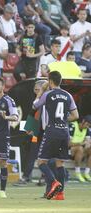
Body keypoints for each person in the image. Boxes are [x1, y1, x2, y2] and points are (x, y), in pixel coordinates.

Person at [33, 71, 79, 200]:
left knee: (41, 161)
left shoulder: (48, 94)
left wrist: (41, 91)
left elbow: (34, 105)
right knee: (60, 163)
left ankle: (54, 182)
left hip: (51, 131)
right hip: (64, 132)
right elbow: (76, 116)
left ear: (50, 81)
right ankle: (60, 194)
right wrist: (63, 120)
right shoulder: (68, 95)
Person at [69, 115, 91, 182]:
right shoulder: (72, 126)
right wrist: (81, 143)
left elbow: (88, 141)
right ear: (83, 121)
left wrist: (88, 144)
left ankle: (86, 173)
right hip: (69, 151)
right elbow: (68, 144)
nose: (87, 127)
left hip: (80, 151)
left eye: (89, 125)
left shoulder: (87, 129)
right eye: (87, 124)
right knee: (80, 148)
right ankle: (77, 172)